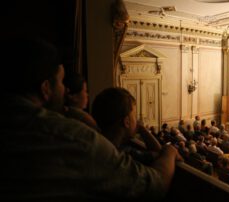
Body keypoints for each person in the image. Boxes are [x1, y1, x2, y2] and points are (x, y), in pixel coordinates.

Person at [0, 37, 180, 200]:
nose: (66, 91)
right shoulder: (71, 136)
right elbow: (153, 186)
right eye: (62, 82)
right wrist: (170, 152)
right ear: (45, 88)